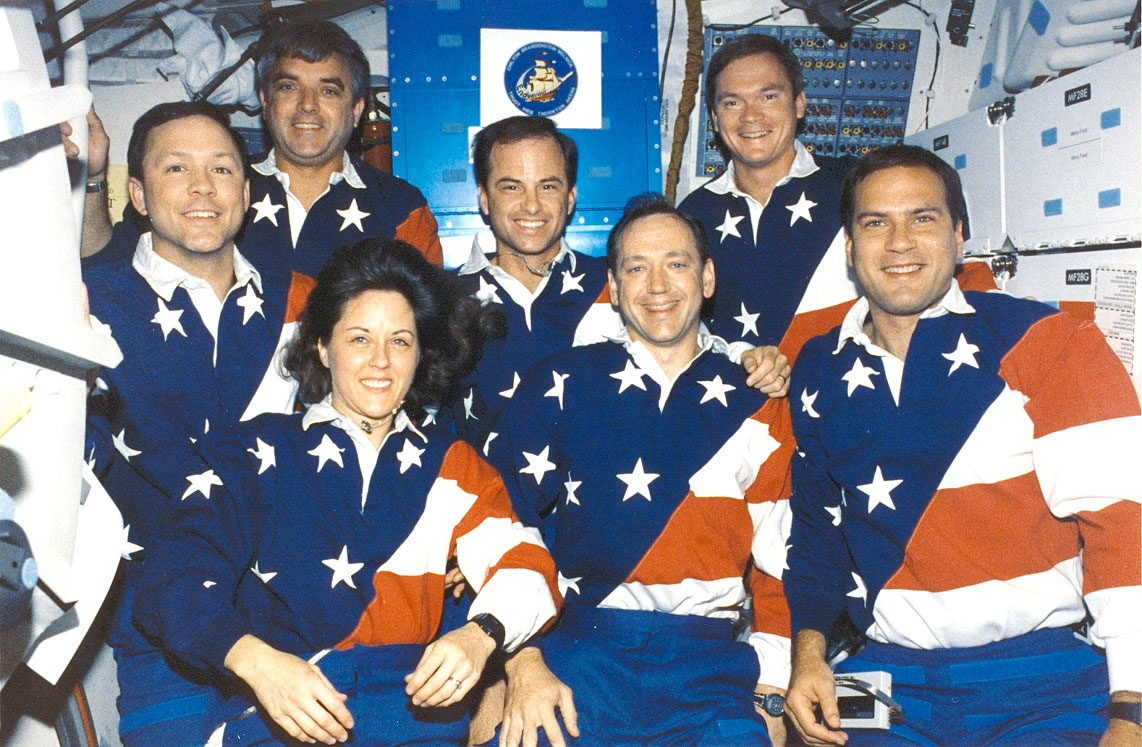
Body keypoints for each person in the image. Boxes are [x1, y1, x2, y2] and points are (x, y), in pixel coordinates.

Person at [132, 239, 561, 746]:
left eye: (400, 341)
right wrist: (257, 662)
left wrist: (479, 634)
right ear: (322, 347)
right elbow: (174, 576)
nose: (380, 361)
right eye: (359, 339)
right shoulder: (253, 452)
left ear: (420, 356)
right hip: (284, 711)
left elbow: (527, 564)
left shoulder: (454, 464)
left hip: (412, 715)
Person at [783, 145, 1141, 745]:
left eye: (922, 218)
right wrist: (808, 656)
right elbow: (816, 534)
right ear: (849, 246)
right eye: (875, 223)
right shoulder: (819, 365)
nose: (899, 243)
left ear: (958, 235)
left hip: (1042, 682)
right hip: (888, 681)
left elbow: (1126, 527)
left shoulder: (1047, 341)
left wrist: (1132, 710)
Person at [486, 195, 797, 745]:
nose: (657, 286)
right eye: (636, 268)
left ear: (707, 278)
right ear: (613, 285)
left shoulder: (756, 398)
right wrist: (524, 659)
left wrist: (771, 685)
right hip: (578, 655)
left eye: (676, 264)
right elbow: (502, 524)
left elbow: (782, 554)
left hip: (712, 669)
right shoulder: (562, 382)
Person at [81, 100, 315, 744]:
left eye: (221, 168)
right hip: (161, 627)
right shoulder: (93, 305)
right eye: (176, 168)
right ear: (138, 194)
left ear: (247, 191)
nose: (203, 188)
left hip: (299, 613)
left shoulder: (304, 302)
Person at [451, 115, 790, 451]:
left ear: (570, 198)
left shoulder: (621, 282)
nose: (532, 205)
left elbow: (693, 347)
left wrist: (748, 357)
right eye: (511, 187)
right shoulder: (446, 300)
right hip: (484, 484)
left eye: (548, 186)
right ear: (484, 198)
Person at [677, 34, 994, 366]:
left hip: (851, 383)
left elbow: (951, 274)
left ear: (799, 104)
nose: (751, 116)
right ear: (715, 118)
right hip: (740, 392)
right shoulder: (691, 215)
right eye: (732, 103)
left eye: (769, 96)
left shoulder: (861, 185)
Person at [79, 20, 442, 275]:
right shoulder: (216, 188)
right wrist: (92, 175)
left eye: (328, 91)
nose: (307, 105)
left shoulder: (400, 207)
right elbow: (104, 264)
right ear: (265, 101)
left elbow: (427, 330)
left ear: (357, 108)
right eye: (288, 87)